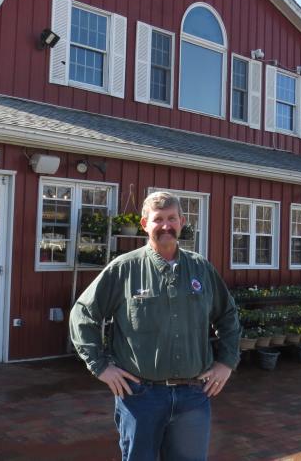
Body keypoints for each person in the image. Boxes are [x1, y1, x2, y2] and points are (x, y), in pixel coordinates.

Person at [69, 191, 241, 461]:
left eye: (171, 218)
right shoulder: (124, 269)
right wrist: (101, 367)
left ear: (182, 222)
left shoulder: (201, 269)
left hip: (193, 396)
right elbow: (83, 314)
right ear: (144, 224)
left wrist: (226, 362)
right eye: (158, 219)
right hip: (141, 397)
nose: (165, 226)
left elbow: (228, 315)